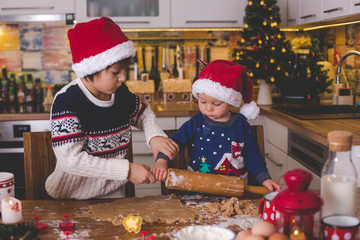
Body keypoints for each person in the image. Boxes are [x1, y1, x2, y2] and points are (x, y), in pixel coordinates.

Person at [45, 17, 178, 200]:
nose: (123, 77)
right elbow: (71, 161)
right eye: (116, 72)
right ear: (91, 69)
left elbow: (143, 114)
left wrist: (154, 137)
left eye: (125, 69)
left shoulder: (120, 93)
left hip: (114, 194)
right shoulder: (67, 101)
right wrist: (128, 170)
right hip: (70, 198)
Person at [153, 60, 280, 192]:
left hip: (234, 191)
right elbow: (175, 142)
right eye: (202, 102)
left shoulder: (241, 124)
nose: (208, 108)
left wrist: (265, 179)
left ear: (230, 101)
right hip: (198, 190)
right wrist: (162, 160)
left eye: (217, 104)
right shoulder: (196, 122)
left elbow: (253, 156)